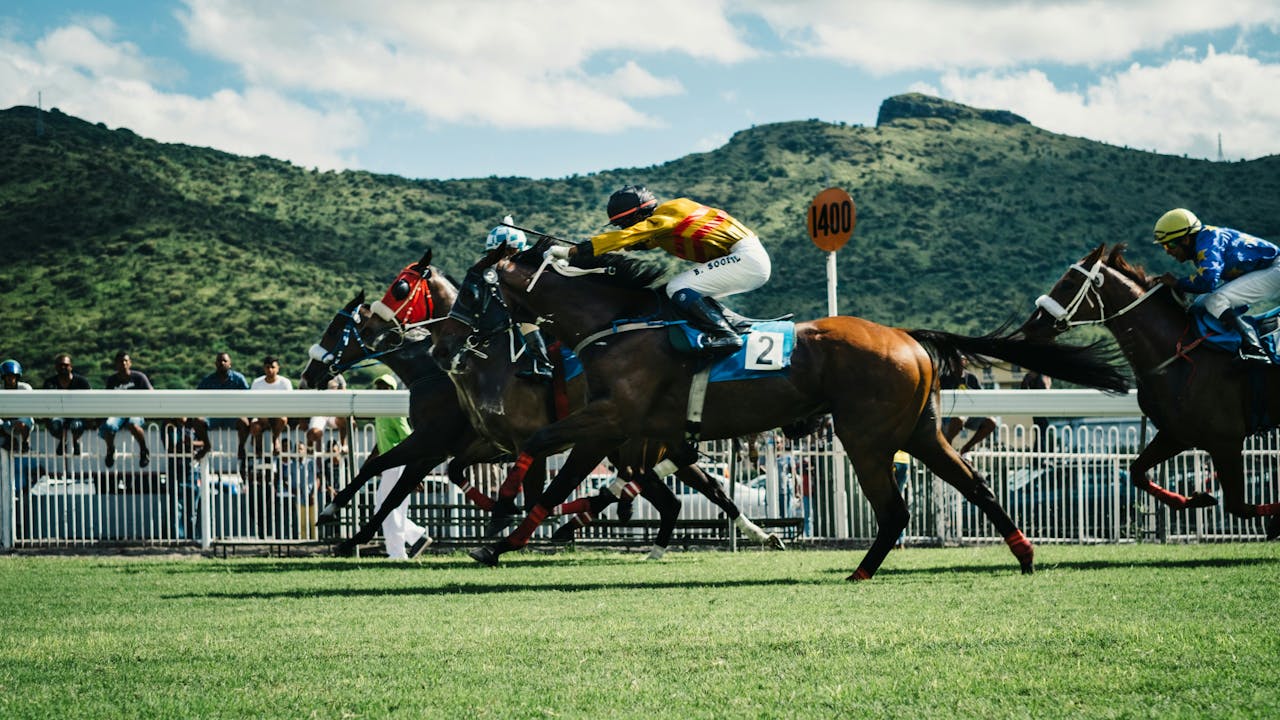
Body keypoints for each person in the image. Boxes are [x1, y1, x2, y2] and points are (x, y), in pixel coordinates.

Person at [550, 185, 771, 352]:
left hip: (745, 257)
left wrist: (574, 251)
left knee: (677, 287)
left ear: (638, 215)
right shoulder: (666, 223)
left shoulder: (670, 210)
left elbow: (633, 234)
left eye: (623, 223)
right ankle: (732, 324)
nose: (624, 228)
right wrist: (627, 245)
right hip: (746, 258)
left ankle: (726, 335)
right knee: (690, 290)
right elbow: (644, 240)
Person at [1154, 208, 1280, 362]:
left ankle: (1254, 348)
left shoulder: (1207, 242)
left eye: (1170, 245)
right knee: (1199, 304)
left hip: (1274, 269)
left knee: (1215, 300)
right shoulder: (1203, 240)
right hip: (1267, 269)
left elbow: (1208, 281)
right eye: (1164, 246)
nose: (1167, 251)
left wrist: (1177, 283)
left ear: (1186, 239)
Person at [370, 374, 431, 559]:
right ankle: (416, 537)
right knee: (382, 508)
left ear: (392, 390)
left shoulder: (394, 411)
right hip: (391, 465)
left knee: (389, 509)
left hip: (399, 464)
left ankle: (398, 553)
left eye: (384, 387)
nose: (381, 390)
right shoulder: (380, 411)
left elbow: (409, 439)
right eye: (378, 386)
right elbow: (381, 442)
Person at [487, 216, 552, 380]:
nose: (495, 258)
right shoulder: (500, 270)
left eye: (500, 253)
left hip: (545, 311)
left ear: (513, 250)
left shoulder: (528, 264)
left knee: (525, 322)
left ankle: (542, 364)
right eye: (492, 254)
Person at [190, 352, 251, 462]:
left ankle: (241, 447)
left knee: (244, 422)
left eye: (224, 361)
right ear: (215, 364)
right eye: (219, 361)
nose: (222, 363)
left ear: (230, 364)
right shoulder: (208, 380)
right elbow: (197, 396)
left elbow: (248, 397)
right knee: (198, 421)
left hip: (233, 415)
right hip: (213, 416)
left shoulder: (239, 379)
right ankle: (207, 445)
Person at [99, 351, 153, 468]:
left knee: (133, 424)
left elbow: (151, 394)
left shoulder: (139, 377)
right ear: (116, 364)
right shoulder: (112, 380)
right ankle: (110, 450)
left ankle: (144, 450)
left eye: (125, 361)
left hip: (136, 411)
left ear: (130, 363)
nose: (123, 363)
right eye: (120, 361)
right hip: (118, 412)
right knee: (109, 425)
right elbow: (106, 399)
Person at [941, 357, 996, 460]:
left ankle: (966, 448)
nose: (958, 363)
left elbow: (981, 397)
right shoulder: (945, 378)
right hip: (949, 416)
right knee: (959, 419)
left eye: (961, 360)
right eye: (955, 360)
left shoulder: (971, 378)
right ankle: (947, 447)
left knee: (991, 422)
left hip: (969, 415)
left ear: (965, 362)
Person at [40, 353, 91, 455]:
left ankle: (74, 441)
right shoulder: (49, 383)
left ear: (71, 366)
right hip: (58, 414)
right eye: (60, 365)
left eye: (66, 365)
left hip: (77, 414)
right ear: (56, 367)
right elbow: (44, 403)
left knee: (77, 425)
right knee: (54, 426)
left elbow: (90, 400)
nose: (63, 367)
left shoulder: (82, 382)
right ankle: (64, 441)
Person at [248, 356, 292, 456]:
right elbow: (252, 402)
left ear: (278, 368)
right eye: (267, 367)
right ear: (264, 368)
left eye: (272, 367)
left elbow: (289, 402)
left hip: (277, 415)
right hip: (261, 416)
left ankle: (275, 439)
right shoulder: (257, 383)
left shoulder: (285, 383)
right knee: (255, 426)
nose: (270, 370)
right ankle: (258, 445)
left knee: (283, 419)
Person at [305, 373, 350, 455]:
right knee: (314, 433)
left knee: (344, 418)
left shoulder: (339, 377)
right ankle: (310, 445)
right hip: (320, 413)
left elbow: (344, 394)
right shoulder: (315, 374)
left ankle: (344, 445)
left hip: (335, 413)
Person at [0, 359, 34, 452]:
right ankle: (10, 440)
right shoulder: (1, 389)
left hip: (22, 419)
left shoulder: (25, 388)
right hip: (6, 420)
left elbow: (29, 407)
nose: (10, 379)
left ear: (17, 376)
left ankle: (25, 442)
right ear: (3, 377)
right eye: (8, 376)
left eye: (13, 376)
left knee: (22, 422)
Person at [1019, 370, 1052, 452]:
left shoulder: (1037, 376)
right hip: (1038, 407)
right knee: (1042, 432)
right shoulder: (1032, 376)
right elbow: (1024, 389)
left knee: (1042, 432)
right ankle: (1039, 457)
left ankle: (1038, 457)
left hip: (1042, 407)